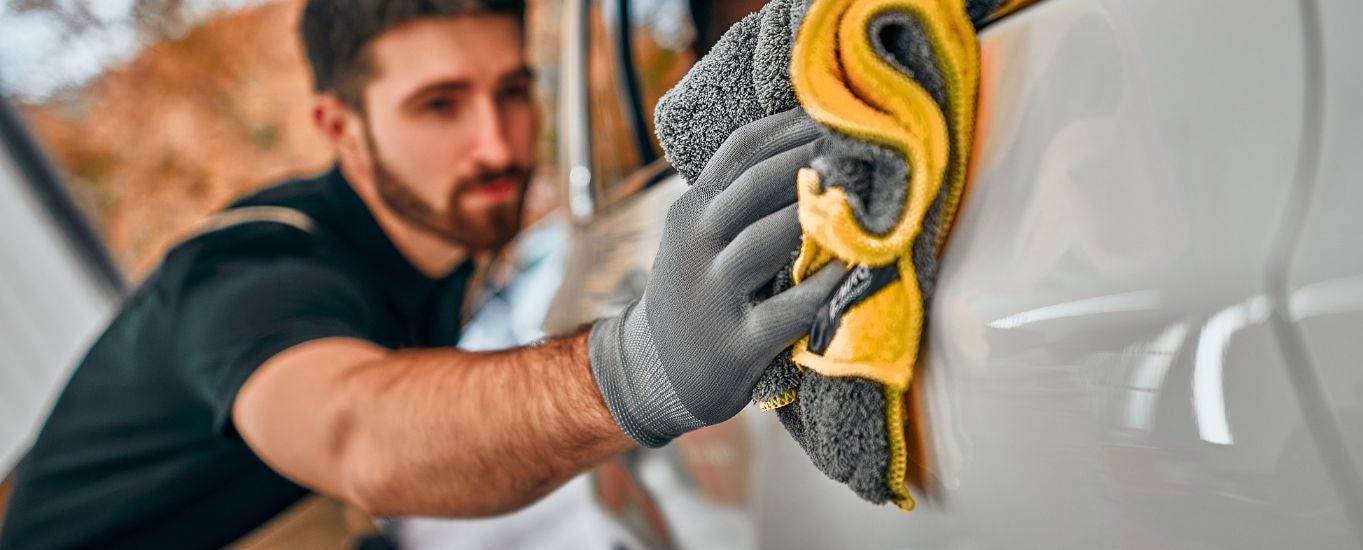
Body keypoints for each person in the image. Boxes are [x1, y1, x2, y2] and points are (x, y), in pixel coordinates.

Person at [0, 0, 842, 548]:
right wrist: (640, 365)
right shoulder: (250, 274)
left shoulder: (438, 251)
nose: (498, 143)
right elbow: (359, 433)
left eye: (513, 91)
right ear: (341, 126)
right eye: (438, 105)